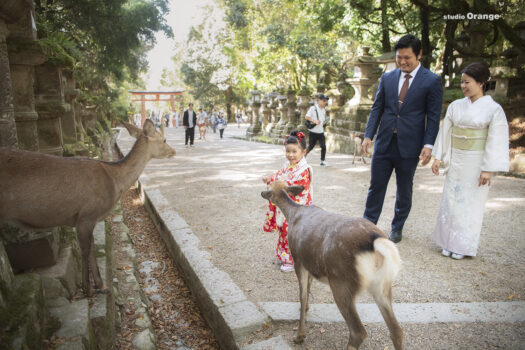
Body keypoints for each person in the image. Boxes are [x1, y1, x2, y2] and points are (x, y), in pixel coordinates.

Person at [362, 34, 443, 243]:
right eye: (399, 57)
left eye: (407, 57)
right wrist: (368, 135)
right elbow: (377, 108)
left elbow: (433, 116)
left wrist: (428, 144)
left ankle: (397, 227)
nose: (403, 62)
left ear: (419, 54)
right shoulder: (387, 78)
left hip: (410, 145)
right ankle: (367, 225)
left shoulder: (432, 81)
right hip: (384, 141)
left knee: (404, 189)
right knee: (375, 186)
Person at [431, 62, 509, 260]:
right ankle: (447, 242)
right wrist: (439, 157)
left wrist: (488, 169)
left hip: (476, 161)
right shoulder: (456, 106)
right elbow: (446, 132)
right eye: (462, 82)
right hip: (457, 158)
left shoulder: (493, 109)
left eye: (467, 82)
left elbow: (496, 139)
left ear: (481, 83)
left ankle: (463, 245)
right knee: (451, 199)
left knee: (471, 202)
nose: (463, 86)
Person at [262, 131, 313, 272]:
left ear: (303, 152)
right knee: (283, 229)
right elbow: (279, 175)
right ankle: (285, 255)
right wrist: (270, 179)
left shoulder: (304, 169)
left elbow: (299, 186)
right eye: (288, 151)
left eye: (294, 151)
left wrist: (280, 182)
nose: (290, 154)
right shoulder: (287, 165)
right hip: (287, 205)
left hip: (298, 206)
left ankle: (292, 260)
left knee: (292, 231)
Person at [305, 94, 329, 166]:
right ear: (319, 100)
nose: (325, 102)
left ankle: (322, 161)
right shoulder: (313, 108)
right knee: (311, 146)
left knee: (323, 146)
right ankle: (302, 157)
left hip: (320, 131)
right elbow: (306, 117)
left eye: (326, 101)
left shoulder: (324, 110)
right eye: (324, 100)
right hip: (313, 131)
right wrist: (314, 121)